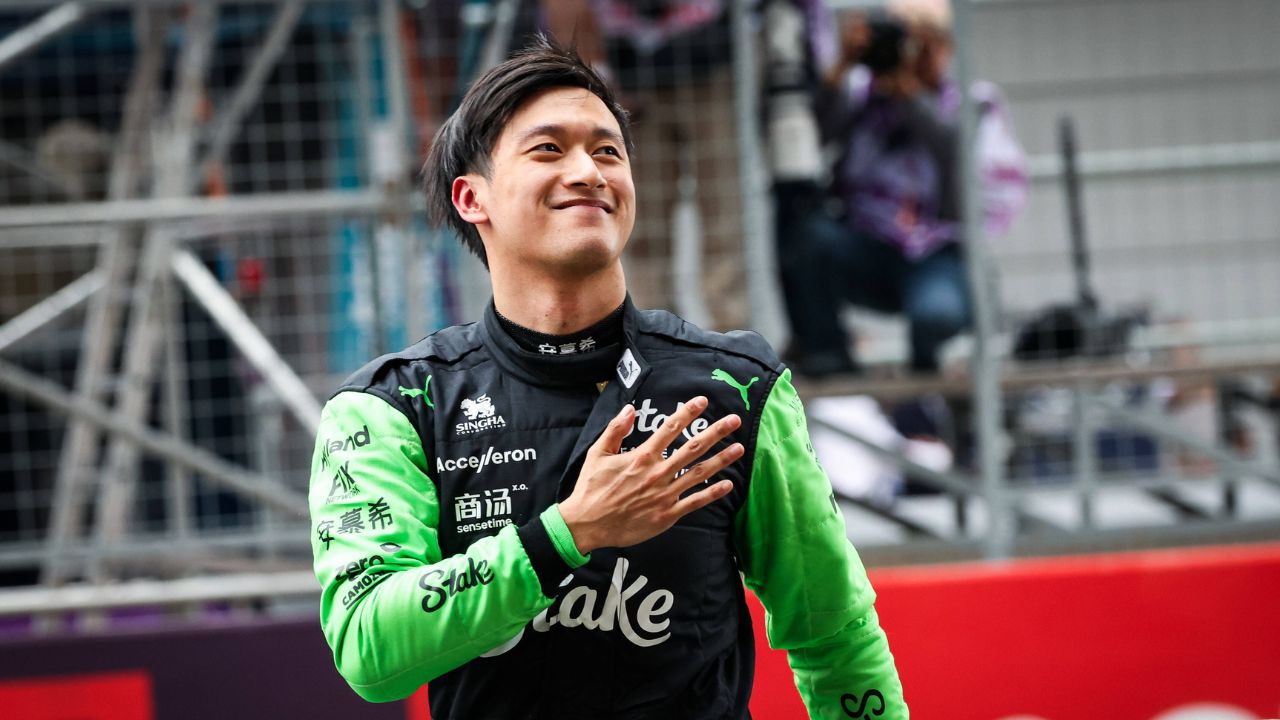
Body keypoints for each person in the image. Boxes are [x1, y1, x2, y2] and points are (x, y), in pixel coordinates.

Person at [308, 36, 907, 719]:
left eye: (607, 151)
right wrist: (567, 535)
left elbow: (836, 636)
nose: (589, 171)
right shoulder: (393, 408)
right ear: (473, 198)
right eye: (548, 149)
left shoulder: (737, 388)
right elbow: (369, 650)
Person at [780, 0, 1026, 377]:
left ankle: (927, 372)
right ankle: (831, 358)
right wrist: (842, 66)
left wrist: (909, 93)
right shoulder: (864, 95)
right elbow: (818, 134)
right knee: (807, 230)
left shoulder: (972, 101)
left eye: (922, 41)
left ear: (945, 46)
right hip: (868, 249)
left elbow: (952, 150)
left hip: (937, 255)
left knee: (937, 315)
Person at [543, 0, 748, 331]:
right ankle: (655, 335)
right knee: (639, 214)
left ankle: (732, 333)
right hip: (627, 73)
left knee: (722, 208)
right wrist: (597, 72)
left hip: (706, 60)